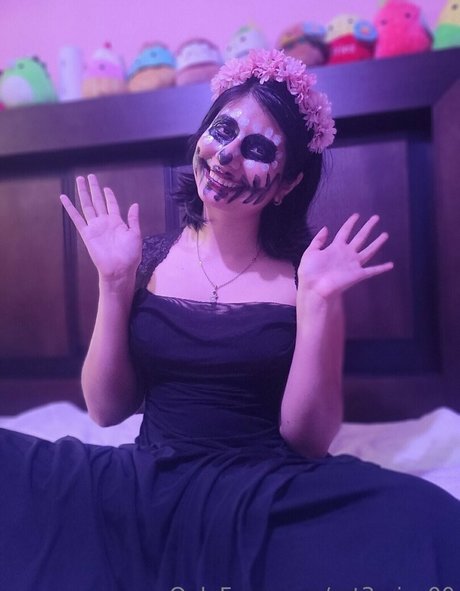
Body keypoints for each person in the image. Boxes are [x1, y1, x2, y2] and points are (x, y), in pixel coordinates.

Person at [1, 48, 459, 591]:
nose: (226, 155)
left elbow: (309, 440)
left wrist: (318, 302)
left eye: (257, 148)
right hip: (148, 486)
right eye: (221, 131)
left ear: (287, 183)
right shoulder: (145, 259)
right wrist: (114, 281)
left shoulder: (309, 273)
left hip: (265, 494)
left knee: (434, 522)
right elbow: (105, 410)